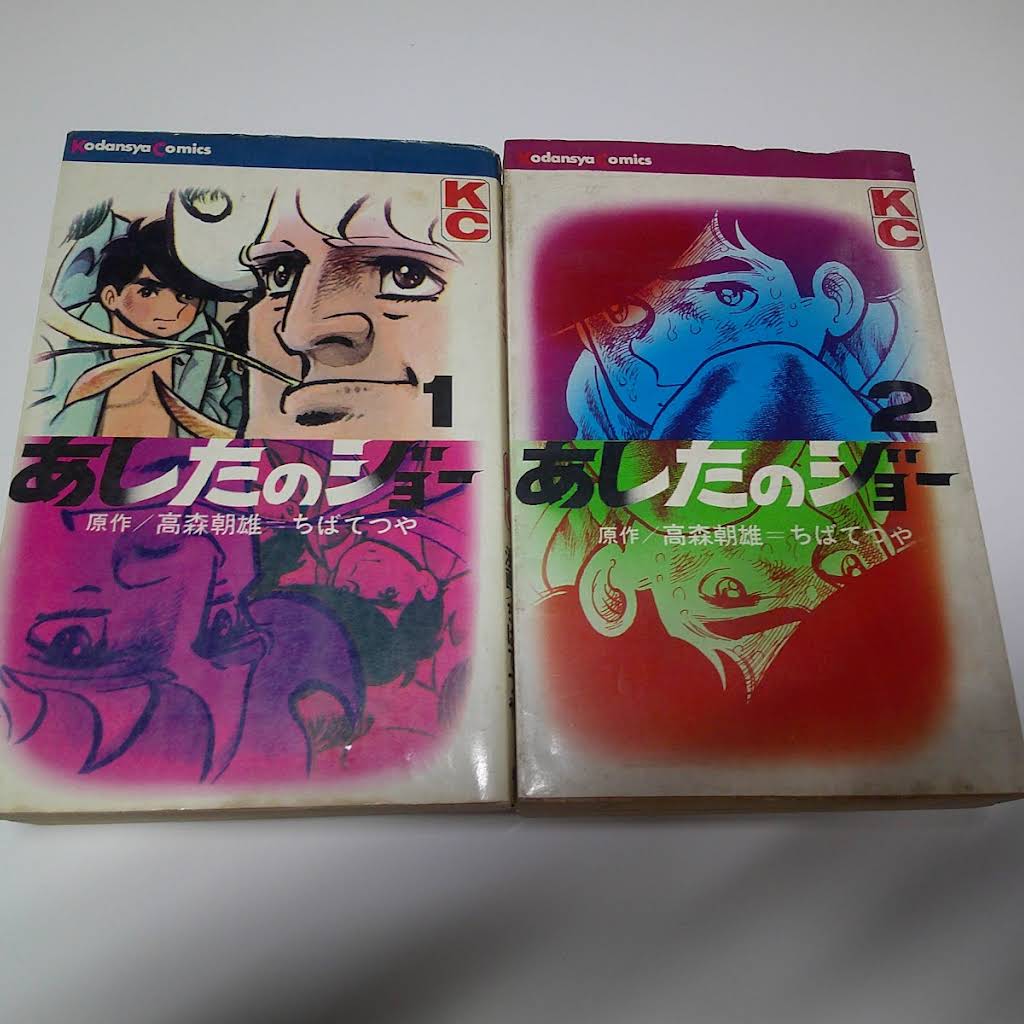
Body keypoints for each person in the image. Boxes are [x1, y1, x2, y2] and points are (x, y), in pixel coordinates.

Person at [558, 209, 912, 440]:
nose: (649, 349)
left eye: (728, 295)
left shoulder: (910, 366)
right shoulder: (598, 390)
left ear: (835, 297)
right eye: (619, 311)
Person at [33, 218, 241, 437]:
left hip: (174, 454)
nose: (171, 309)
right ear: (111, 297)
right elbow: (39, 413)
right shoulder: (64, 336)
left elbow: (212, 397)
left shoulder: (206, 340)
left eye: (186, 296)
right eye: (148, 292)